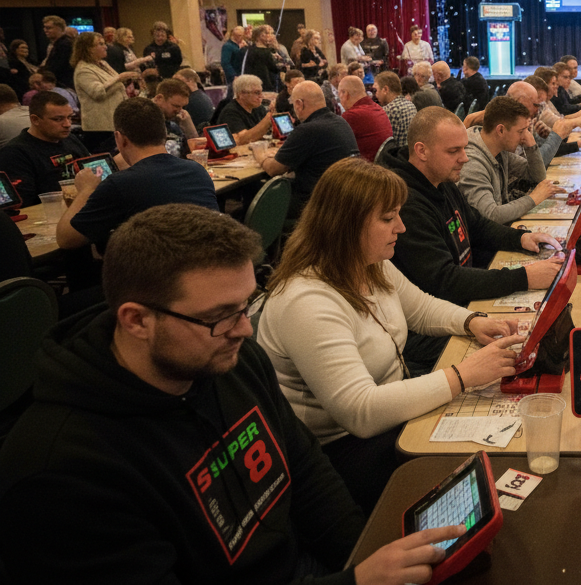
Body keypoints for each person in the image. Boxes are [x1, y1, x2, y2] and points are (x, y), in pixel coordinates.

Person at [0, 202, 468, 583]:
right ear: (137, 320)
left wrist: (364, 552)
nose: (246, 329)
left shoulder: (229, 358)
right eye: (221, 315)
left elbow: (306, 473)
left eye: (247, 305)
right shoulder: (61, 469)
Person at [256, 159, 521, 509]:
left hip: (388, 416)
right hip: (340, 451)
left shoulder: (371, 262)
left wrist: (473, 321)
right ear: (345, 225)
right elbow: (360, 411)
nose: (401, 226)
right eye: (387, 218)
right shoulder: (306, 300)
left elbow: (421, 308)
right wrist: (462, 375)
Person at [377, 107, 563, 304]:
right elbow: (445, 281)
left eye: (463, 148)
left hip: (463, 296)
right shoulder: (405, 203)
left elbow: (476, 225)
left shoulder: (440, 177)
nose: (464, 158)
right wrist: (523, 277)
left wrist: (521, 238)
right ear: (421, 151)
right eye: (453, 151)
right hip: (446, 309)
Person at [56, 97, 218, 251]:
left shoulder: (119, 184)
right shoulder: (196, 170)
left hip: (156, 275)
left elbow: (66, 239)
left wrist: (86, 190)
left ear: (119, 138)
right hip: (207, 266)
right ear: (164, 133)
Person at [257, 81, 359, 211]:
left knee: (257, 199)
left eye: (293, 104)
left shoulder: (307, 130)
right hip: (342, 197)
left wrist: (260, 154)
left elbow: (273, 169)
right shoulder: (340, 121)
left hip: (315, 203)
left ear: (299, 104)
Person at [458, 96, 554, 224]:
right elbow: (492, 215)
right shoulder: (472, 162)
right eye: (521, 131)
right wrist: (534, 198)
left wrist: (531, 146)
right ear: (501, 130)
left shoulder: (498, 148)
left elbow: (536, 176)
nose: (524, 137)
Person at [0, 92, 88, 206]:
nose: (67, 124)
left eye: (70, 117)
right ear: (35, 120)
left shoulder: (69, 139)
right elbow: (23, 205)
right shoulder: (15, 153)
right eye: (58, 119)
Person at [72, 31, 140, 152]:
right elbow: (98, 93)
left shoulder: (103, 64)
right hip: (99, 126)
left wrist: (125, 79)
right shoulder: (83, 70)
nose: (105, 47)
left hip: (114, 121)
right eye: (100, 44)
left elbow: (113, 85)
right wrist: (119, 77)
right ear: (88, 49)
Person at [338, 75, 393, 161]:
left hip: (365, 170)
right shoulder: (378, 108)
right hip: (383, 166)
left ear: (345, 94)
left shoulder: (351, 116)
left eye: (339, 95)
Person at [217, 74, 274, 145]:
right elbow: (243, 140)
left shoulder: (259, 108)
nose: (261, 96)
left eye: (261, 92)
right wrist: (269, 118)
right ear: (241, 94)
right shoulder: (230, 112)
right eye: (257, 93)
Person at [151, 78, 196, 156]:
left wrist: (190, 130)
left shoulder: (175, 124)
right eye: (176, 106)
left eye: (182, 107)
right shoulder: (143, 122)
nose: (179, 111)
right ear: (159, 98)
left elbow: (196, 153)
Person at [374, 70, 417, 146]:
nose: (375, 94)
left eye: (376, 90)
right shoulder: (411, 105)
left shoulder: (387, 111)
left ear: (385, 90)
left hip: (397, 155)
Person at [40, 14, 75, 87]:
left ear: (59, 28)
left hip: (64, 85)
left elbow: (56, 68)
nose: (45, 30)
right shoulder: (59, 44)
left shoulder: (64, 45)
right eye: (45, 28)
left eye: (49, 28)